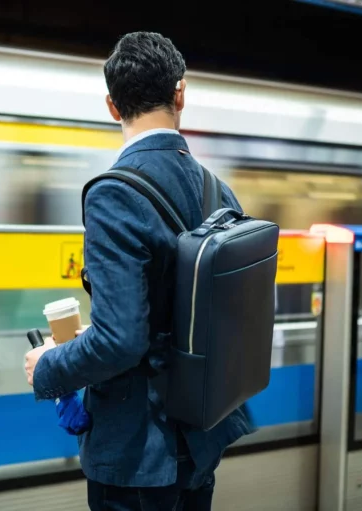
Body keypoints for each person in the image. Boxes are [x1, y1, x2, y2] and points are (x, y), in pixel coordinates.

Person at [25, 31, 255, 510]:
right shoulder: (219, 192)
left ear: (112, 106)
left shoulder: (113, 195)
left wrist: (48, 367)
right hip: (199, 440)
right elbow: (180, 315)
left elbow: (121, 341)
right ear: (180, 93)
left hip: (140, 460)